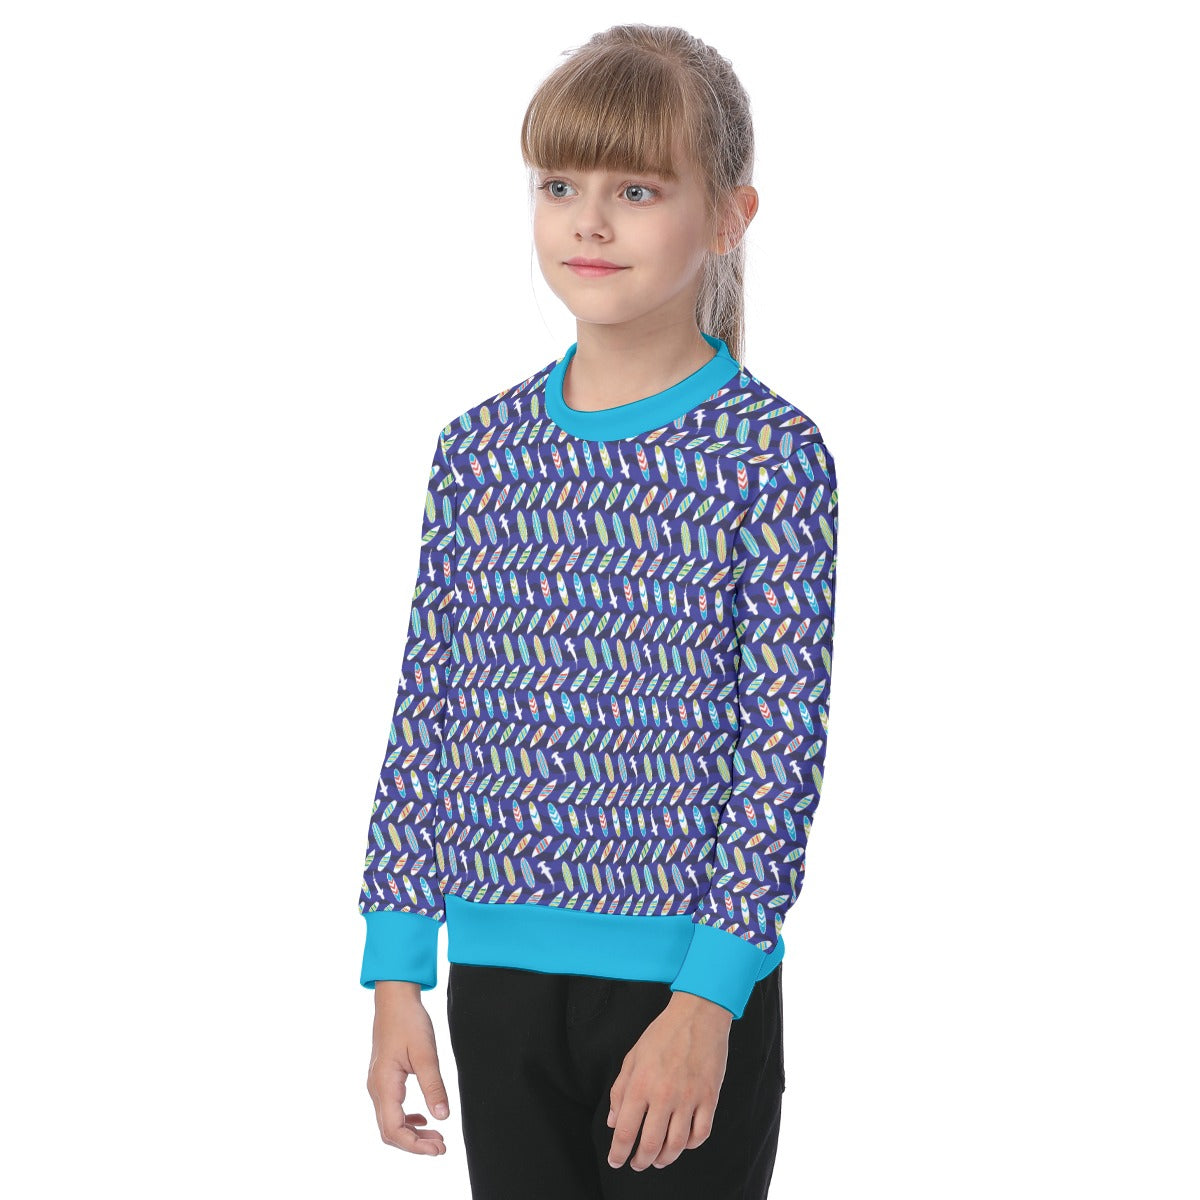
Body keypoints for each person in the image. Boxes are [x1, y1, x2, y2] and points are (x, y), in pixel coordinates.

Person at [358, 23, 839, 1199]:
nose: (589, 221)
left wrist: (708, 997)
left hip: (683, 989)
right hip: (497, 981)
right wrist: (396, 966)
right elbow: (430, 712)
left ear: (728, 217)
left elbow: (779, 748)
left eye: (637, 189)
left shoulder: (770, 460)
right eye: (560, 184)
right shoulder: (479, 453)